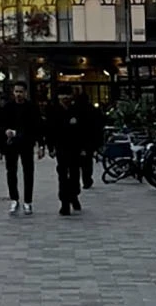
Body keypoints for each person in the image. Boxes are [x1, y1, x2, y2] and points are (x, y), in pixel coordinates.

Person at [0, 82, 44, 216]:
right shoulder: (8, 107)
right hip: (11, 144)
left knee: (28, 172)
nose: (18, 94)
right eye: (16, 91)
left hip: (27, 143)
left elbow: (37, 127)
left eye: (21, 91)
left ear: (25, 93)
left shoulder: (32, 107)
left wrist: (41, 145)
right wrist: (6, 132)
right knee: (11, 172)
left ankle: (28, 201)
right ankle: (14, 199)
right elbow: (0, 123)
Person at [44, 86, 86, 216]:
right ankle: (64, 203)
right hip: (61, 147)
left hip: (76, 148)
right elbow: (49, 130)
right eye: (63, 95)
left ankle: (74, 195)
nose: (66, 98)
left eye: (68, 95)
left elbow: (84, 130)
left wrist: (84, 148)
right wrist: (50, 148)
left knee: (74, 175)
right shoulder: (53, 110)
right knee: (62, 175)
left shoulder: (77, 109)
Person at [74, 93, 103, 190]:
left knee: (76, 163)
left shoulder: (75, 110)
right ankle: (87, 180)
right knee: (87, 162)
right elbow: (99, 126)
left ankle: (77, 181)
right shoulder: (93, 110)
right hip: (89, 140)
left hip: (77, 140)